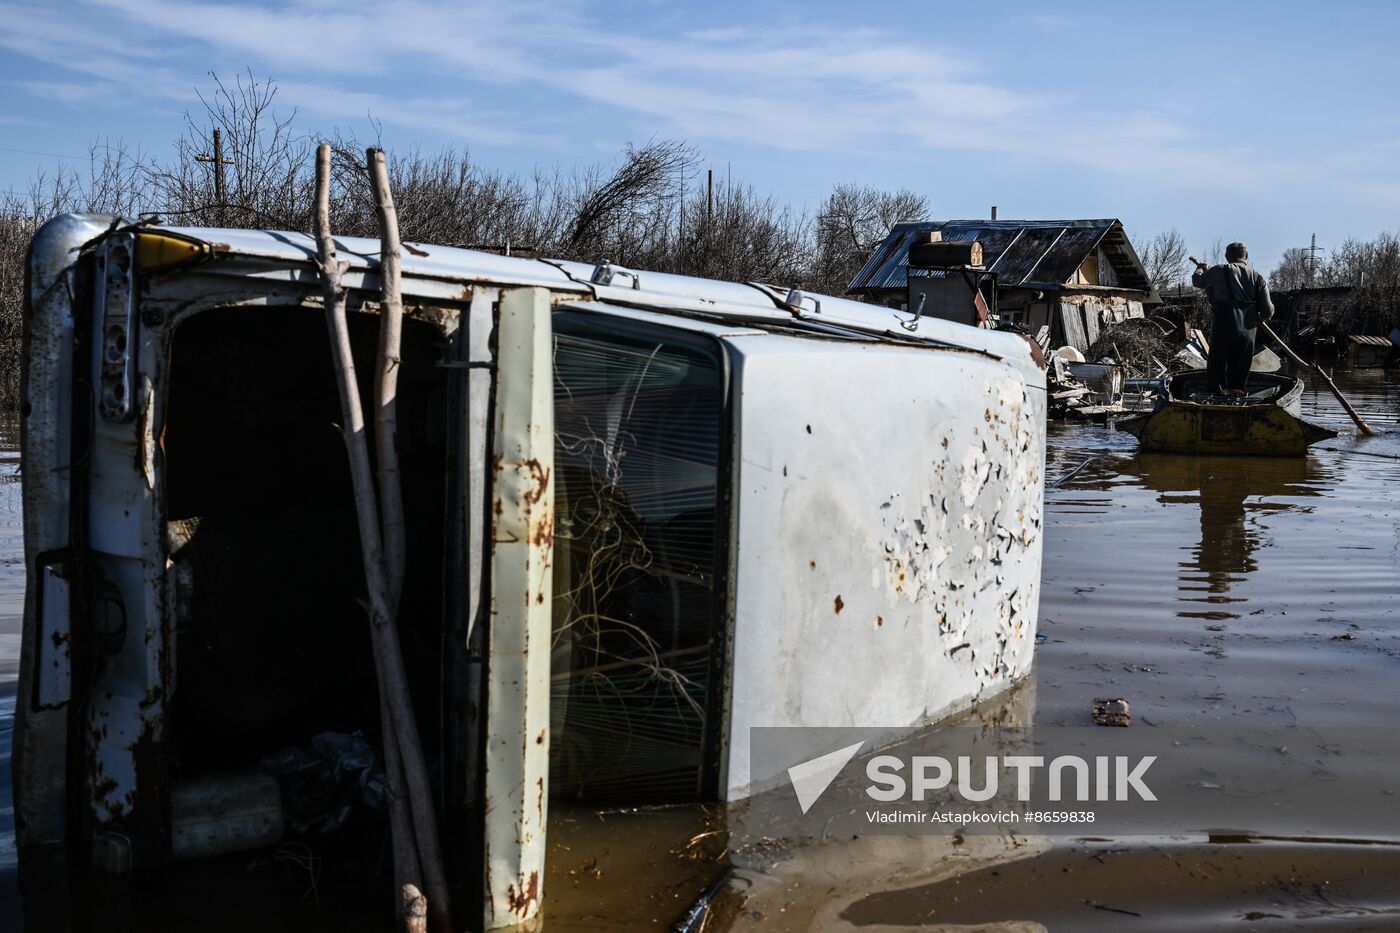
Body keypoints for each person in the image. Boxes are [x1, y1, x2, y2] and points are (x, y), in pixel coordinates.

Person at [1192, 243, 1274, 395]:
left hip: (1224, 328)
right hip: (1248, 332)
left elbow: (1197, 282)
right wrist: (1259, 318)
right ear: (1246, 256)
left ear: (1227, 257)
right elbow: (1268, 310)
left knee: (1218, 368)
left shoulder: (1217, 271)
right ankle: (1236, 400)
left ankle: (1216, 401)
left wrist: (1200, 269)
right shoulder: (1258, 277)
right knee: (1240, 370)